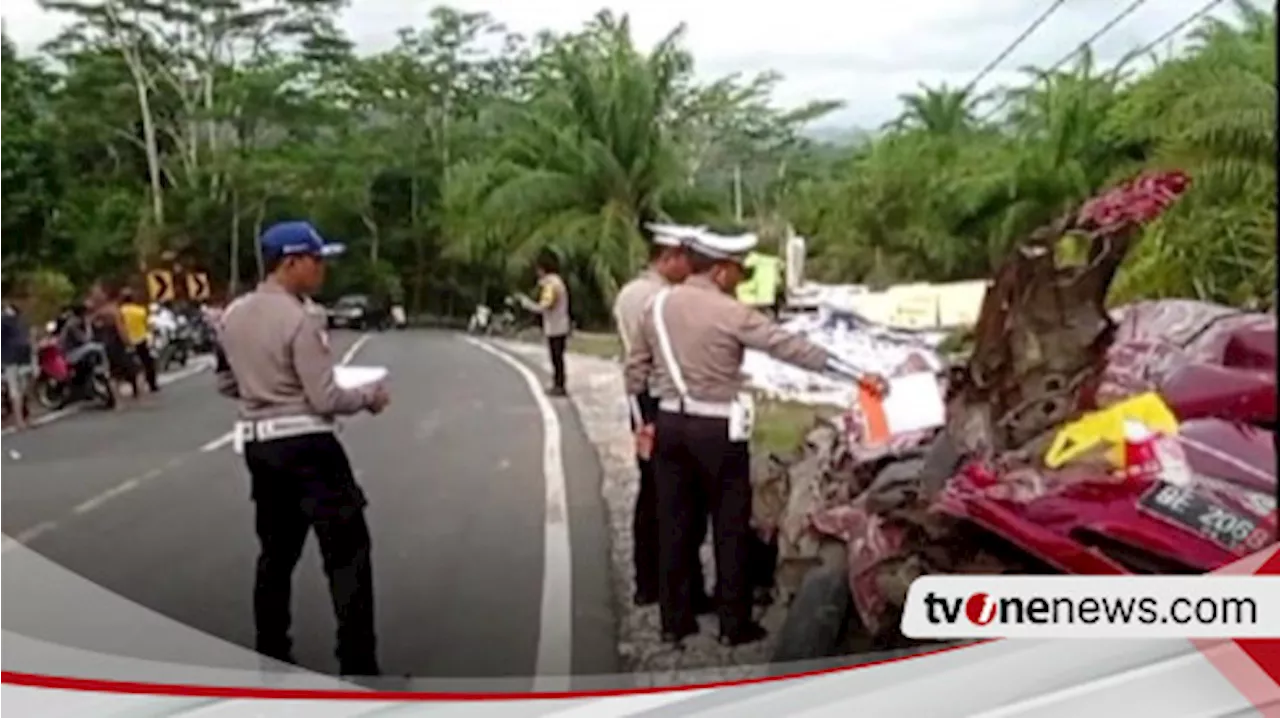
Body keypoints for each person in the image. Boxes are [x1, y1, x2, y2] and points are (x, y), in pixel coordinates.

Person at [624, 228, 887, 646]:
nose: (741, 278)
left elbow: (635, 369)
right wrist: (857, 375)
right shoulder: (731, 313)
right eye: (738, 270)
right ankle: (734, 623)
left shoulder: (655, 306)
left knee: (674, 525)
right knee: (729, 525)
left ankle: (674, 623)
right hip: (718, 429)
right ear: (722, 271)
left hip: (671, 426)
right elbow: (790, 348)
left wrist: (644, 424)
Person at [215, 220, 390, 679]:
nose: (322, 270)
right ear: (290, 263)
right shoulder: (301, 318)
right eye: (316, 261)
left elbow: (225, 381)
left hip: (259, 446)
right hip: (309, 445)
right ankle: (359, 667)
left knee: (276, 555)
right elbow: (326, 398)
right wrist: (370, 398)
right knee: (348, 553)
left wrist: (263, 390)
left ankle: (271, 657)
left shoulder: (232, 315)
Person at [612, 223, 711, 613]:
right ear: (668, 257)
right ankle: (670, 586)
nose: (689, 267)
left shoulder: (639, 292)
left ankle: (652, 582)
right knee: (668, 497)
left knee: (656, 494)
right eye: (685, 258)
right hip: (654, 399)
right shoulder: (653, 297)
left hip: (651, 397)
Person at [519, 251, 571, 396]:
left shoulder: (551, 284)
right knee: (557, 357)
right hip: (559, 325)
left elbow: (546, 305)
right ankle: (558, 383)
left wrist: (528, 304)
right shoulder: (557, 282)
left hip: (556, 327)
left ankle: (559, 385)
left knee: (556, 358)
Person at [87, 284, 139, 405]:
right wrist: (127, 341)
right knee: (128, 368)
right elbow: (120, 327)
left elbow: (91, 328)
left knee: (111, 372)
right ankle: (132, 395)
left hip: (102, 344)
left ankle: (117, 399)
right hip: (115, 343)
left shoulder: (96, 313)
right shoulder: (113, 310)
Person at [0, 296, 33, 430]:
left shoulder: (3, 320)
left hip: (10, 358)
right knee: (24, 388)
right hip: (24, 356)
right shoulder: (21, 320)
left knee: (15, 390)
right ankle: (27, 418)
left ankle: (19, 421)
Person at [120, 288, 158, 393]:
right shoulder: (140, 311)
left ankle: (135, 388)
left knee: (129, 365)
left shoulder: (121, 312)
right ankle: (152, 384)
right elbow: (147, 325)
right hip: (141, 339)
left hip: (127, 341)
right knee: (148, 362)